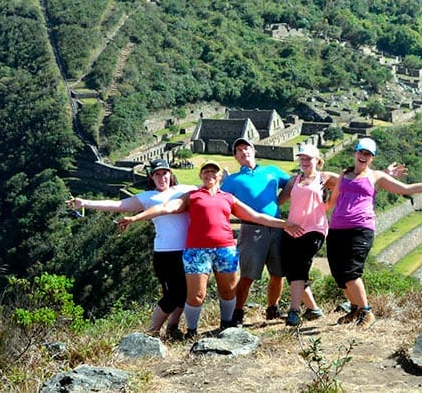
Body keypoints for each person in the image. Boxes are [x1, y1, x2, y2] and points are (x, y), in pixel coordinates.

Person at [120, 160, 303, 338]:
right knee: (197, 295)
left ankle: (225, 325)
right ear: (200, 175)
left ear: (220, 176)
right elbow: (166, 207)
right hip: (197, 251)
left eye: (213, 172)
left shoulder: (228, 198)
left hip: (225, 249)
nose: (210, 175)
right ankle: (192, 331)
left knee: (228, 291)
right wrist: (135, 218)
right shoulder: (192, 196)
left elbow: (256, 216)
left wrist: (284, 224)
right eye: (206, 172)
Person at [326, 137, 422, 329]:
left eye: (368, 154)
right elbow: (333, 200)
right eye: (361, 152)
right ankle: (354, 309)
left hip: (360, 228)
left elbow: (406, 189)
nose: (363, 156)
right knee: (338, 273)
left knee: (350, 272)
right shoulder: (344, 175)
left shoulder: (377, 177)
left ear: (372, 158)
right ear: (355, 153)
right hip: (337, 228)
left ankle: (367, 312)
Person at [66, 158, 195, 340]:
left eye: (164, 173)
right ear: (151, 176)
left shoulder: (186, 190)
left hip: (188, 251)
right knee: (171, 295)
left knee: (185, 293)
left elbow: (211, 190)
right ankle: (151, 333)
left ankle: (173, 328)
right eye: (157, 174)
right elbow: (117, 205)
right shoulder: (148, 197)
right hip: (165, 253)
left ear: (170, 174)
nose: (161, 177)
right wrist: (85, 203)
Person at [221, 137, 321, 326]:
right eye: (239, 150)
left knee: (278, 273)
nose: (244, 152)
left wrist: (279, 201)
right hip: (251, 230)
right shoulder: (233, 180)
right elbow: (220, 201)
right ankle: (238, 312)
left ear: (254, 150)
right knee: (248, 275)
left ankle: (272, 309)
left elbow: (294, 181)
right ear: (236, 157)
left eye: (246, 148)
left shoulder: (271, 171)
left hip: (277, 229)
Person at [275, 144, 337, 327]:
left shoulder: (324, 177)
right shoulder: (294, 180)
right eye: (302, 158)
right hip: (292, 228)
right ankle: (314, 310)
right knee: (290, 272)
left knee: (300, 267)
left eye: (308, 158)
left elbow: (351, 183)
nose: (305, 162)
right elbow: (279, 201)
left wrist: (330, 205)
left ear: (317, 160)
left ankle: (294, 312)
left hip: (314, 229)